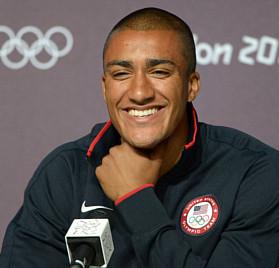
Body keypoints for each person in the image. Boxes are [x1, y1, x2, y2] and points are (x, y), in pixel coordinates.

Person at [1, 7, 279, 267]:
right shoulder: (64, 173)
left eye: (159, 72)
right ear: (105, 86)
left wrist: (134, 199)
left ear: (191, 86)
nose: (139, 92)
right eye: (121, 74)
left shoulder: (254, 173)